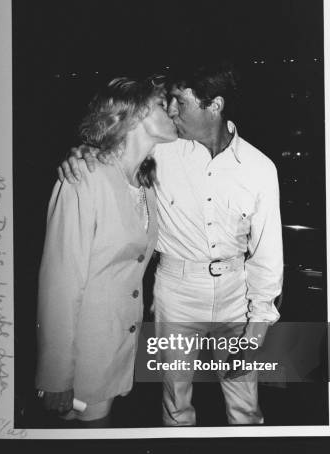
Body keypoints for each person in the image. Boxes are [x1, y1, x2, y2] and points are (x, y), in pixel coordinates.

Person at [58, 60, 283, 426]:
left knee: (245, 404)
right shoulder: (161, 150)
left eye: (181, 101)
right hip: (176, 292)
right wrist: (81, 152)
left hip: (236, 293)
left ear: (215, 105)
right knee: (175, 403)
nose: (172, 111)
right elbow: (114, 152)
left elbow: (268, 252)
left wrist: (257, 327)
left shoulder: (260, 168)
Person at [36, 77, 177, 427]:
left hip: (118, 352)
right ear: (135, 115)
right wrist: (55, 376)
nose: (172, 110)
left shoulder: (144, 183)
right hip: (82, 359)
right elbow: (59, 285)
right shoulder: (84, 178)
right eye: (162, 104)